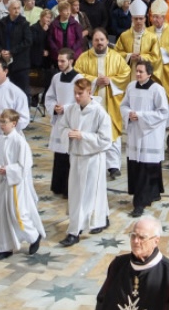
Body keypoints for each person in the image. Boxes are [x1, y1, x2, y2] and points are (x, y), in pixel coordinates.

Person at [63, 76, 112, 245]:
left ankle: (74, 231)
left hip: (93, 158)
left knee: (87, 195)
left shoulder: (99, 112)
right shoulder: (71, 110)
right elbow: (61, 128)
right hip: (76, 157)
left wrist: (82, 136)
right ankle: (103, 217)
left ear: (89, 92)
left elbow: (106, 139)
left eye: (80, 93)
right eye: (75, 93)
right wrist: (68, 133)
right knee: (76, 193)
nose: (77, 97)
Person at [75, 28, 132, 176]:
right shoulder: (83, 57)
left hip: (111, 102)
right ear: (91, 41)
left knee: (112, 130)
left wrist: (110, 80)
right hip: (91, 102)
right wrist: (94, 81)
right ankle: (91, 162)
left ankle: (113, 165)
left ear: (107, 40)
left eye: (102, 40)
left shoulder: (116, 57)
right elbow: (77, 75)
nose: (99, 43)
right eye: (96, 40)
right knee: (91, 130)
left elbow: (126, 74)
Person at [0, 107, 44, 259]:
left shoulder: (19, 141)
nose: (1, 125)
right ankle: (5, 246)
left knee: (17, 213)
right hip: (2, 182)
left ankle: (34, 236)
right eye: (0, 121)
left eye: (5, 122)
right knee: (1, 214)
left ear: (14, 123)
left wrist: (8, 170)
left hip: (15, 184)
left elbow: (25, 165)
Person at [121, 57, 169, 217]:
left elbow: (163, 112)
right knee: (136, 166)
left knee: (147, 168)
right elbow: (123, 105)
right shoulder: (130, 87)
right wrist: (129, 114)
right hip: (135, 133)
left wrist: (140, 116)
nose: (138, 74)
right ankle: (152, 193)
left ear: (149, 74)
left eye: (141, 71)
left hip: (149, 135)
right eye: (137, 71)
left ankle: (139, 203)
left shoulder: (157, 89)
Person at [43, 48, 79, 197]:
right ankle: (58, 186)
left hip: (72, 120)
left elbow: (81, 101)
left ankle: (68, 189)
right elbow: (49, 96)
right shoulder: (56, 77)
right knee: (59, 155)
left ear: (71, 61)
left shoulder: (79, 79)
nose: (59, 63)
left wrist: (65, 107)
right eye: (58, 60)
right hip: (59, 119)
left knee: (69, 155)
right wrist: (54, 107)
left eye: (62, 61)